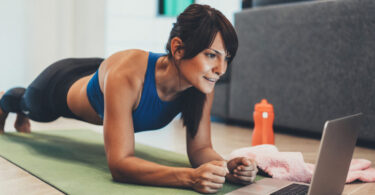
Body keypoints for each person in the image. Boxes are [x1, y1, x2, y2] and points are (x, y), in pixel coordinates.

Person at [0, 4, 258, 194]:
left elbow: (200, 149)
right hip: (58, 86)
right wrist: (189, 178)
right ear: (179, 49)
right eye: (212, 55)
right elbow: (120, 164)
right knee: (27, 104)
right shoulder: (128, 74)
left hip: (100, 72)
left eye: (226, 58)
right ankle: (5, 100)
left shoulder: (199, 84)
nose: (221, 70)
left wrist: (227, 166)